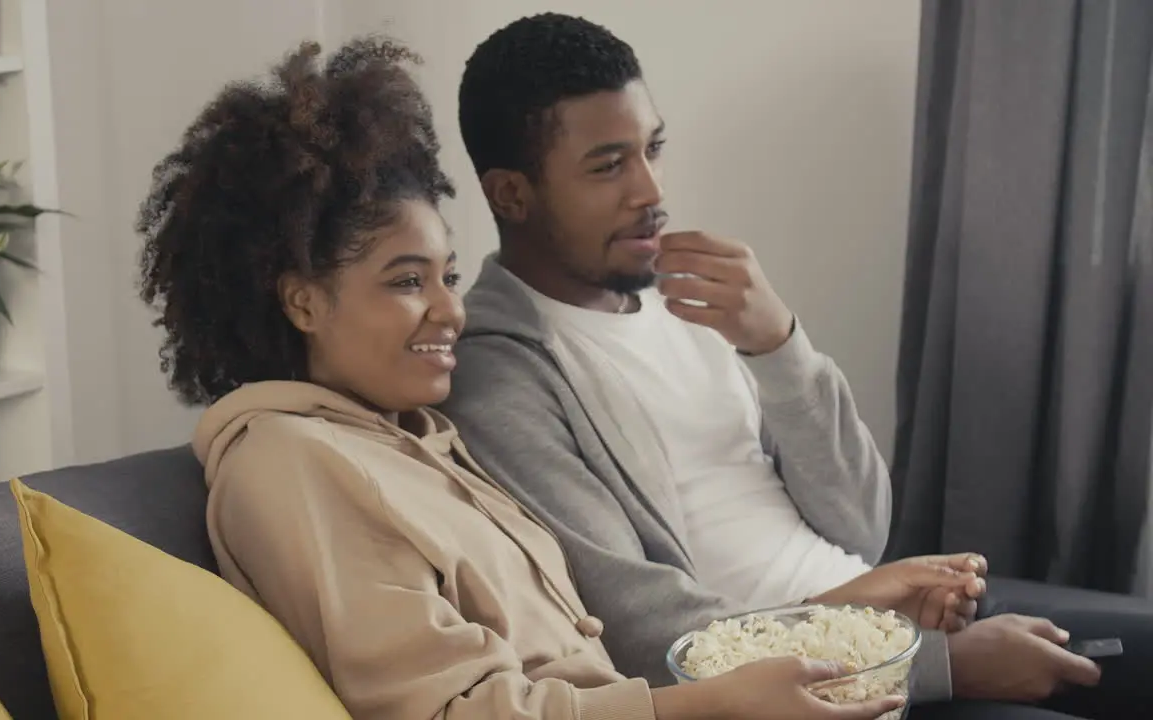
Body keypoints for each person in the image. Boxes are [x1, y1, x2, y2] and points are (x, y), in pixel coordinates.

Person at [137, 37, 988, 720]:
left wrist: (849, 605)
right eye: (406, 282)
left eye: (445, 276)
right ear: (302, 301)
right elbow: (459, 706)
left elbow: (566, 659)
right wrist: (718, 700)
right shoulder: (291, 462)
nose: (449, 312)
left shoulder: (415, 443)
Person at [440, 12, 1151, 720]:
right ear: (511, 193)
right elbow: (644, 632)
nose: (651, 191)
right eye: (608, 166)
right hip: (822, 687)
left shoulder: (691, 300)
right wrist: (940, 667)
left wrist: (778, 346)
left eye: (653, 148)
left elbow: (863, 525)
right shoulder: (501, 379)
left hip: (887, 621)